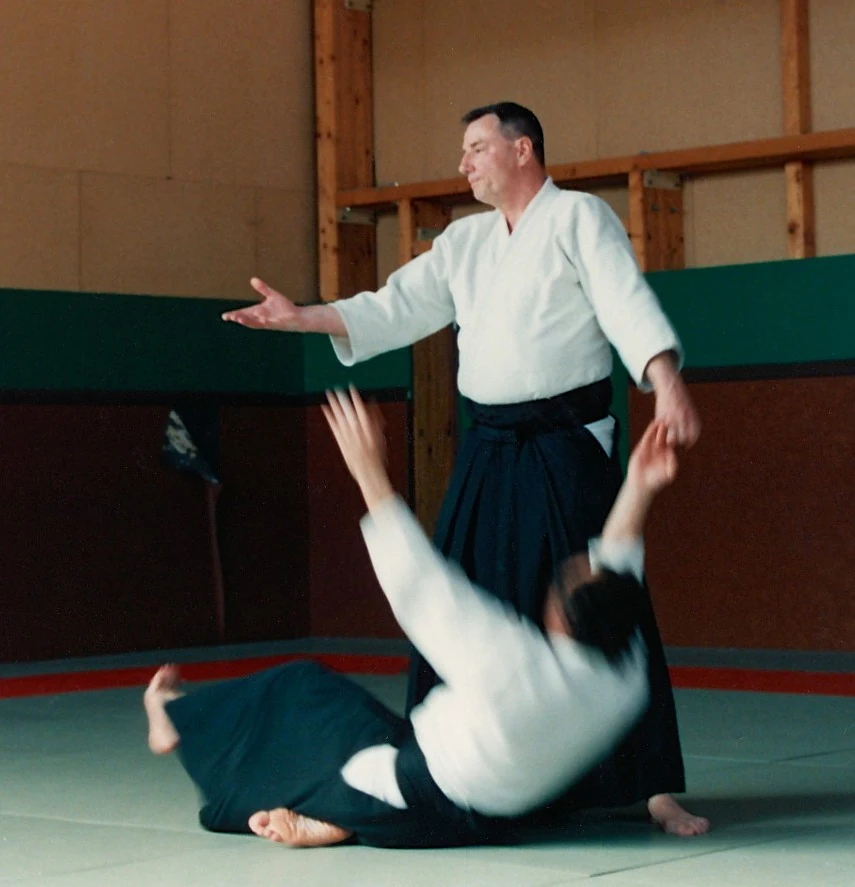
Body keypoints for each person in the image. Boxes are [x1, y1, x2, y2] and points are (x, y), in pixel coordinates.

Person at [221, 102, 707, 835]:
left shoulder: (578, 218)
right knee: (463, 595)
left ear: (523, 149)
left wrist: (664, 380)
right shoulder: (464, 241)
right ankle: (445, 766)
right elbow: (395, 306)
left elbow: (623, 300)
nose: (464, 163)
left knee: (604, 600)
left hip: (565, 443)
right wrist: (303, 317)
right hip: (489, 446)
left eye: (477, 147)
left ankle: (651, 786)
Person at [144, 388, 684, 849]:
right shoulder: (625, 673)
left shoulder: (515, 666)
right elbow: (616, 573)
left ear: (561, 618)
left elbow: (422, 587)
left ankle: (177, 718)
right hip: (496, 818)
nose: (573, 564)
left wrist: (367, 469)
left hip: (416, 799)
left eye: (566, 578)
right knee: (361, 727)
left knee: (302, 692)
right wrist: (640, 485)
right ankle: (342, 816)